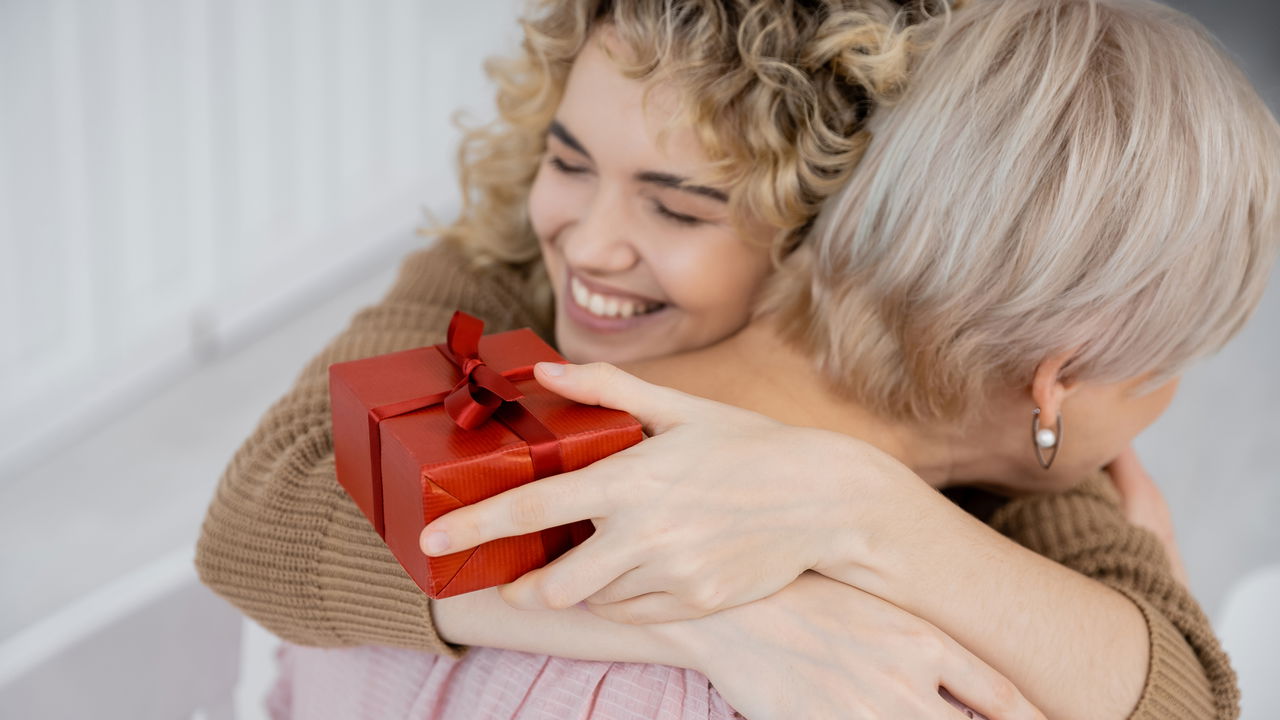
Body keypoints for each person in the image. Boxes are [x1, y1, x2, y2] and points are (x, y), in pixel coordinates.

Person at [195, 0, 1276, 717]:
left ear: (809, 229)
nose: (589, 241)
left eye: (679, 207)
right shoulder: (496, 276)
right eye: (566, 160)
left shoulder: (988, 449)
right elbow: (257, 518)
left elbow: (1180, 691)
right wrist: (716, 612)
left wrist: (858, 505)